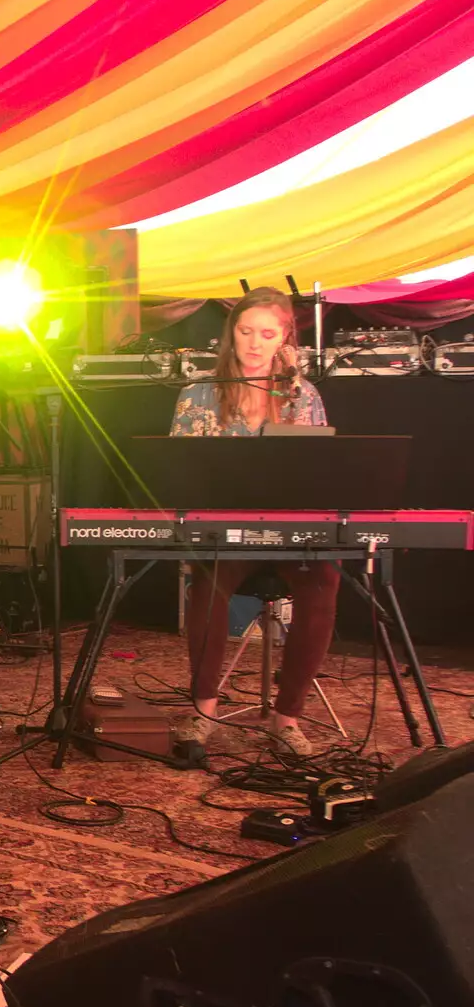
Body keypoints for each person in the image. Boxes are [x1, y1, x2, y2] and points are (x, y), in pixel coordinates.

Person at [170, 286, 339, 756]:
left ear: (284, 338)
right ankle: (203, 711)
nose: (254, 343)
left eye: (267, 333)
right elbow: (176, 475)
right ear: (231, 335)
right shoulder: (198, 395)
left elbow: (323, 473)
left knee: (324, 581)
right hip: (225, 534)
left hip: (291, 533)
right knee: (209, 580)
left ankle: (287, 719)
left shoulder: (304, 396)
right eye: (245, 331)